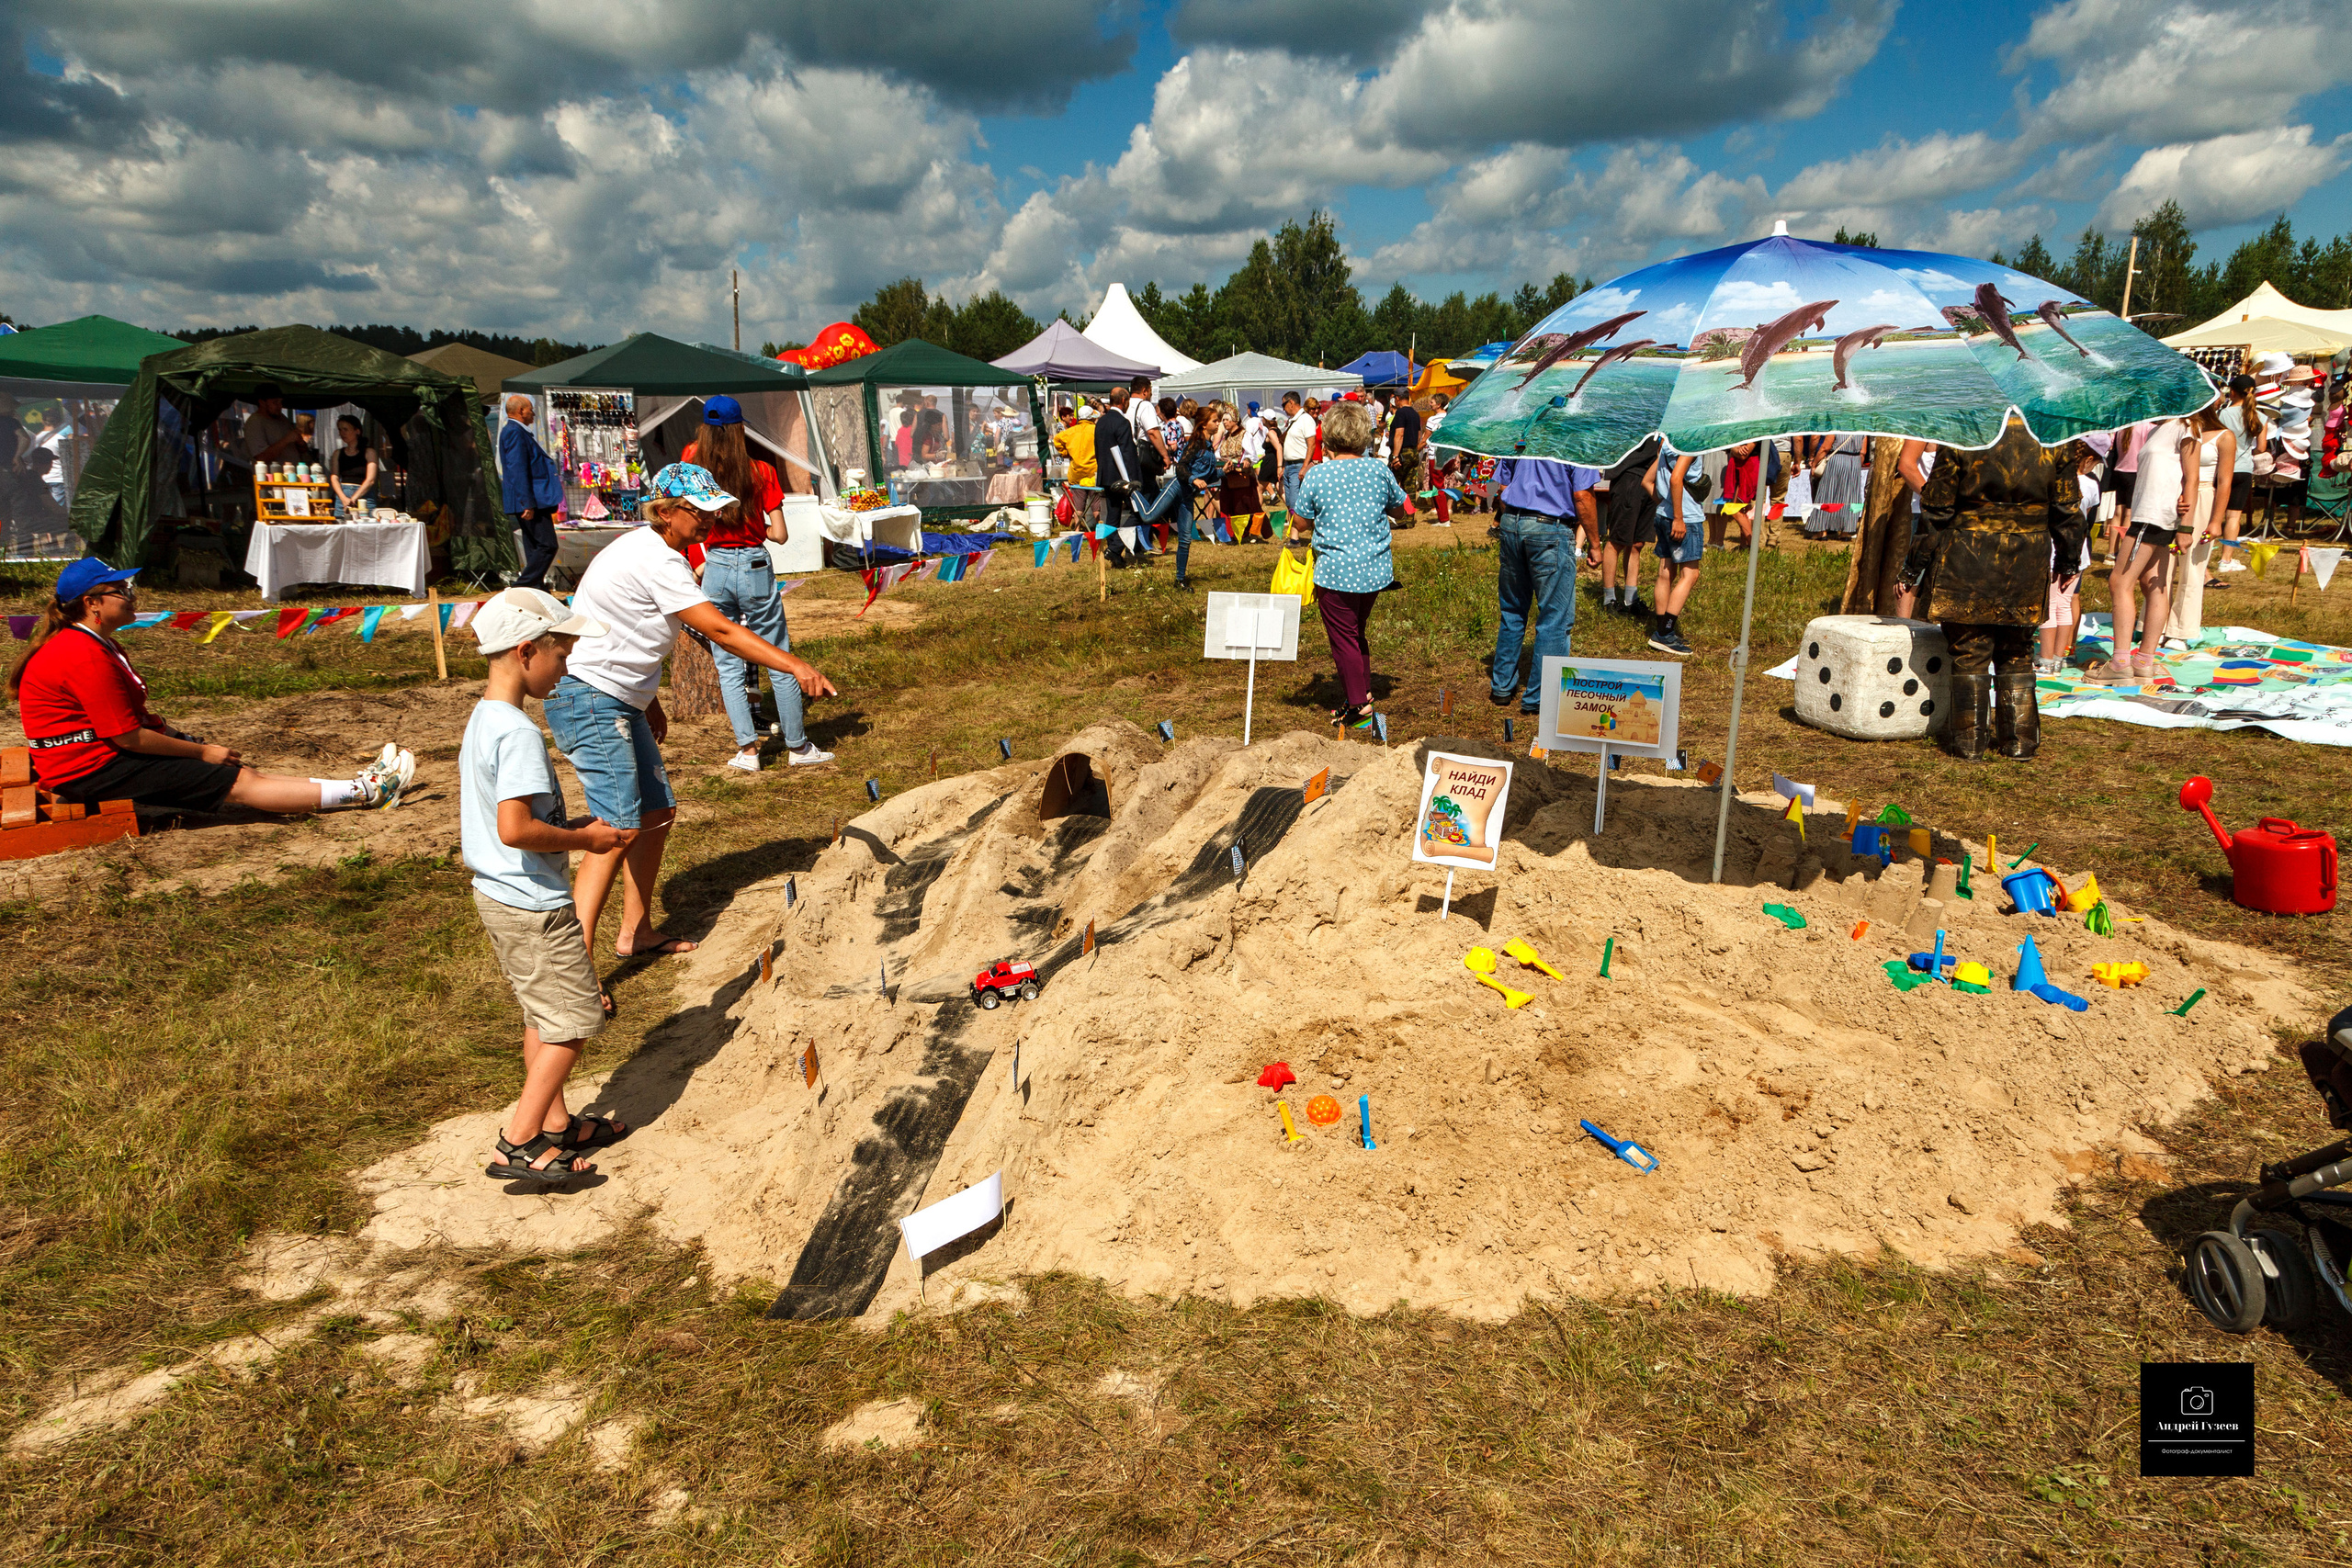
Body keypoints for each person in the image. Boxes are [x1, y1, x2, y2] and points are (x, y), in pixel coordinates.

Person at [547, 463, 839, 964]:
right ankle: (573, 967)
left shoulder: (653, 551)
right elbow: (720, 631)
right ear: (664, 512)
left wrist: (646, 698)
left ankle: (635, 931)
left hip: (614, 698)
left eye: (714, 508)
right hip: (592, 699)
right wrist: (793, 663)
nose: (711, 519)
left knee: (656, 812)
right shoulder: (658, 560)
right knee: (614, 828)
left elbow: (617, 626)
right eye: (699, 510)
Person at [11, 557, 414, 815]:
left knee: (240, 772)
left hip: (93, 760)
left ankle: (357, 784)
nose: (132, 597)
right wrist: (201, 751)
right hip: (89, 769)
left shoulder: (91, 644)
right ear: (92, 602)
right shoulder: (82, 654)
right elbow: (128, 736)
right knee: (236, 783)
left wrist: (183, 741)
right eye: (122, 591)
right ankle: (368, 793)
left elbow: (131, 724)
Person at [462, 588, 635, 1185]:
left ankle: (556, 1123)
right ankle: (519, 1138)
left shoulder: (484, 718)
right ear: (526, 649)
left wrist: (573, 829)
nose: (565, 668)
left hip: (500, 895)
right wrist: (585, 840)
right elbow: (515, 828)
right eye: (561, 654)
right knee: (575, 1021)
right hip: (533, 903)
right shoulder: (517, 735)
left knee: (542, 1013)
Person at [1904, 417, 2086, 760]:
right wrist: (2069, 560)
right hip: (2028, 557)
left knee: (1969, 649)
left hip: (1967, 555)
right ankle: (2020, 743)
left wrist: (1912, 566)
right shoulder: (2051, 434)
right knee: (2017, 650)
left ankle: (1969, 744)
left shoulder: (1963, 433)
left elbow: (1936, 509)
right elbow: (2068, 510)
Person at [680, 396, 831, 773]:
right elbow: (779, 534)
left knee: (727, 663)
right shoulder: (761, 470)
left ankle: (748, 751)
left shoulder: (692, 464)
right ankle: (798, 746)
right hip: (754, 563)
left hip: (714, 565)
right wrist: (753, 526)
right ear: (741, 429)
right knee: (777, 655)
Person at [1291, 400, 1408, 728]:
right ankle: (1363, 693)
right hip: (1374, 570)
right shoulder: (1379, 470)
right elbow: (1401, 510)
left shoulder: (1317, 475)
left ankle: (1359, 707)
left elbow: (1300, 523)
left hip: (1336, 571)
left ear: (1327, 437)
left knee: (1344, 638)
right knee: (1356, 632)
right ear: (1364, 436)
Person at [1487, 457, 1597, 716]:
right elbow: (1582, 496)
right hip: (1550, 528)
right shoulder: (1578, 439)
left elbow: (1502, 488)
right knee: (1554, 618)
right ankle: (1539, 697)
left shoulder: (1524, 432)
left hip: (1512, 522)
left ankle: (1501, 686)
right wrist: (1595, 542)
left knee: (1513, 611)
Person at [2092, 414, 2192, 682]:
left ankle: (2120, 662)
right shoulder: (2156, 430)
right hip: (2147, 512)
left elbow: (2190, 478)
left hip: (2154, 515)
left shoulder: (2185, 428)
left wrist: (2187, 526)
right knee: (2152, 584)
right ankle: (2144, 661)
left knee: (2119, 582)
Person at [2163, 406, 2233, 647]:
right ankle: (2157, 623)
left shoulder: (2224, 436)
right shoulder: (2180, 429)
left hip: (2202, 498)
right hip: (2173, 497)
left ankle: (2181, 630)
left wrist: (2216, 520)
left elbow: (2224, 482)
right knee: (2164, 562)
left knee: (2193, 566)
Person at [500, 396, 565, 590]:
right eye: (530, 409)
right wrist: (526, 503)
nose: (533, 414)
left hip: (532, 500)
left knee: (535, 547)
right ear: (521, 410)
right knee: (547, 545)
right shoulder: (514, 432)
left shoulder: (518, 432)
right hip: (532, 501)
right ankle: (523, 586)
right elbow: (517, 469)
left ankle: (534, 589)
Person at [1646, 445, 1705, 656]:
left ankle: (1662, 629)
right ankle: (1666, 633)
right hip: (1685, 518)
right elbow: (1675, 478)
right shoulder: (1691, 442)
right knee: (1690, 575)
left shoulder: (1666, 443)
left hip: (1663, 514)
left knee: (1665, 572)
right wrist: (1678, 517)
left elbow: (1647, 481)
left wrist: (1665, 506)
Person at [1597, 435, 1659, 618]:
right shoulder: (1639, 411)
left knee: (1637, 543)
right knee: (1617, 540)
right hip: (1630, 476)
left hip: (1652, 478)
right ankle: (1609, 599)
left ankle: (1631, 599)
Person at [2213, 374, 2262, 576]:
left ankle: (2203, 554)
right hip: (2244, 469)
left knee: (2213, 514)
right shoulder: (2259, 416)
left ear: (2232, 392)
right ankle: (2226, 559)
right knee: (2234, 517)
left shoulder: (2223, 414)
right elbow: (2262, 447)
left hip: (2223, 468)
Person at [1094, 386, 1140, 567]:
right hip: (1122, 477)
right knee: (1139, 512)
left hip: (1106, 475)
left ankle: (1115, 553)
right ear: (1123, 401)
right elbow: (1128, 453)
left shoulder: (1101, 422)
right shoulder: (1122, 422)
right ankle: (1115, 548)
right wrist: (1135, 480)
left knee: (1113, 515)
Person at [330, 414, 379, 519]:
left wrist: (353, 498)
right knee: (341, 529)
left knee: (367, 529)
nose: (342, 433)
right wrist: (343, 498)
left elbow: (370, 480)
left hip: (364, 496)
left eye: (345, 429)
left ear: (357, 431)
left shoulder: (369, 452)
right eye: (340, 429)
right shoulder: (338, 453)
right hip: (343, 495)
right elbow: (334, 477)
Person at [1389, 395, 1426, 525]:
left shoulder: (1400, 412)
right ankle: (1409, 519)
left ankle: (1392, 515)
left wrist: (1395, 456)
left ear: (1398, 399)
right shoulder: (1415, 413)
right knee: (1410, 487)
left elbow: (1400, 434)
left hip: (1402, 452)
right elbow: (1418, 435)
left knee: (1391, 484)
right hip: (1413, 451)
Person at [1279, 390, 1314, 513]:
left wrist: (1304, 467)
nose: (1283, 409)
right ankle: (1295, 529)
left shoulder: (1305, 419)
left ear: (1291, 402)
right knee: (1289, 503)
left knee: (1295, 503)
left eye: (1284, 405)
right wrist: (1284, 466)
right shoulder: (1293, 420)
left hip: (1298, 465)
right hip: (1289, 466)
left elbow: (1312, 445)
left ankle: (1296, 530)